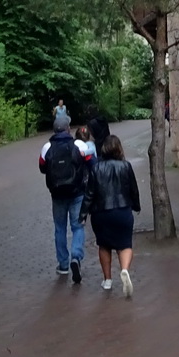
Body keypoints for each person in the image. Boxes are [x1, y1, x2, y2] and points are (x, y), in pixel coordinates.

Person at [79, 134, 140, 297]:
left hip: (101, 212)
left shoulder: (96, 168)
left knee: (104, 245)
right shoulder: (126, 166)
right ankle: (125, 270)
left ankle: (107, 280)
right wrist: (136, 205)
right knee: (125, 244)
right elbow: (133, 189)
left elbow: (89, 194)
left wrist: (83, 214)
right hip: (122, 210)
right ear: (119, 148)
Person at [39, 114, 89, 283]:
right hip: (76, 193)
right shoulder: (78, 144)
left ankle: (63, 264)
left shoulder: (47, 147)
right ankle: (76, 256)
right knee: (77, 226)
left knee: (60, 228)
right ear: (69, 129)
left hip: (57, 194)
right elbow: (91, 162)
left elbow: (42, 168)